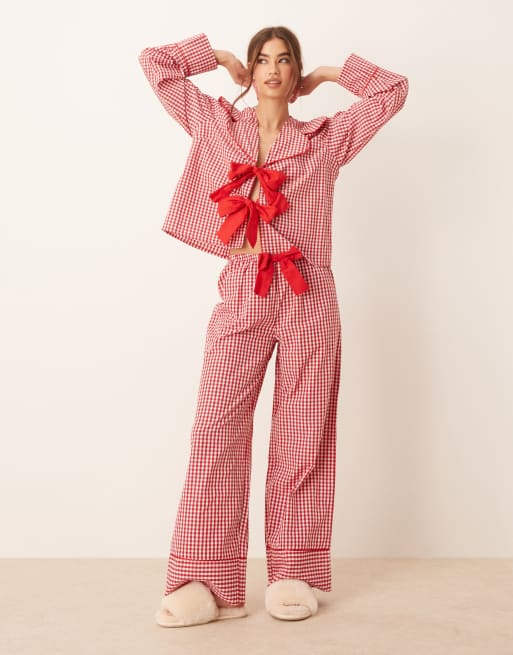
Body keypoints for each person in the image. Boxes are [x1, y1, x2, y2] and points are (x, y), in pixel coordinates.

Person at [138, 26, 408, 627]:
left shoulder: (325, 140)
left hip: (308, 297)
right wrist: (216, 57)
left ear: (295, 73)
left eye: (285, 61)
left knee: (303, 432)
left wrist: (331, 75)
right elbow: (154, 64)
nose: (272, 69)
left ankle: (293, 571)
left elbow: (392, 91)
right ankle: (207, 582)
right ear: (251, 69)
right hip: (242, 291)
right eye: (262, 59)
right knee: (216, 429)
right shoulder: (216, 124)